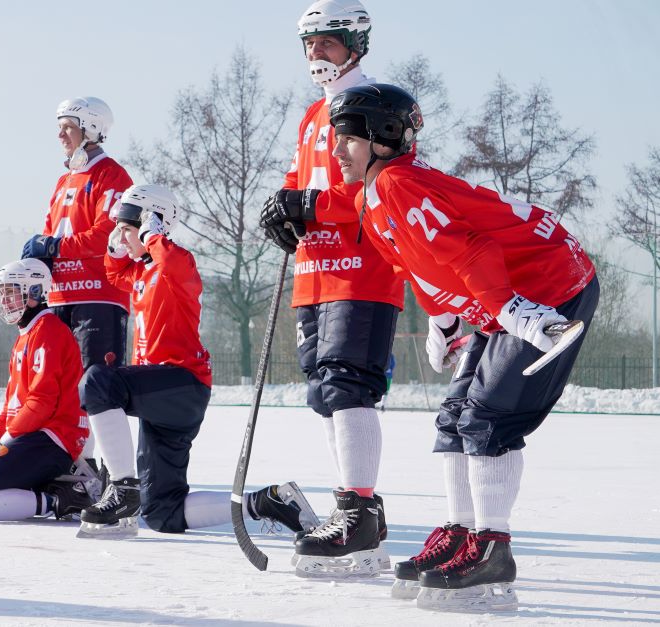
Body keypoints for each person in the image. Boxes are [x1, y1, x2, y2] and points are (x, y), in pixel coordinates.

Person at [327, 83, 599, 611]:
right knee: (454, 418)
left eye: (347, 139)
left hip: (548, 286)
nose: (337, 151)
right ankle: (459, 533)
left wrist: (513, 310)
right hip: (503, 297)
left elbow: (471, 251)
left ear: (381, 139)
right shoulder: (373, 195)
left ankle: (492, 548)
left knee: (488, 419)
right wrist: (445, 320)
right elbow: (420, 264)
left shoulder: (399, 184)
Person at [77, 184, 317, 539]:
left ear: (151, 223)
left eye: (127, 229)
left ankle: (123, 488)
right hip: (158, 394)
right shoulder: (142, 272)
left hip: (181, 383)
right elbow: (115, 274)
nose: (122, 238)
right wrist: (115, 248)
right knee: (162, 512)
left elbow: (172, 262)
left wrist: (153, 234)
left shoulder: (177, 263)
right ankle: (268, 502)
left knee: (98, 382)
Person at [257, 0, 401, 577]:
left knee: (346, 386)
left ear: (355, 46)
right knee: (322, 393)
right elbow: (303, 182)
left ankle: (358, 514)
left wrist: (313, 203)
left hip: (361, 268)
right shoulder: (312, 115)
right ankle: (352, 506)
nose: (316, 53)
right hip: (314, 270)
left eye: (327, 42)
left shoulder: (375, 103)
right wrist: (284, 207)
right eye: (309, 44)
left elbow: (384, 183)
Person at [20, 97, 133, 467]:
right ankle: (69, 462)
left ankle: (101, 470)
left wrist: (56, 245)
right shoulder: (63, 180)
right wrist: (39, 256)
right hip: (59, 298)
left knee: (95, 387)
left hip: (98, 298)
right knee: (62, 387)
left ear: (92, 129)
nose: (60, 134)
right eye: (60, 126)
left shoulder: (113, 175)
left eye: (68, 126)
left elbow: (107, 235)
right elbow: (51, 234)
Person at [0, 258, 95, 523]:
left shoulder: (49, 332)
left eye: (10, 292)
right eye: (2, 294)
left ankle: (62, 501)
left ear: (34, 292)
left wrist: (0, 445)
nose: (5, 301)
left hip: (51, 441)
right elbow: (11, 410)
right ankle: (46, 490)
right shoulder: (26, 335)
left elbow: (41, 404)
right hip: (28, 437)